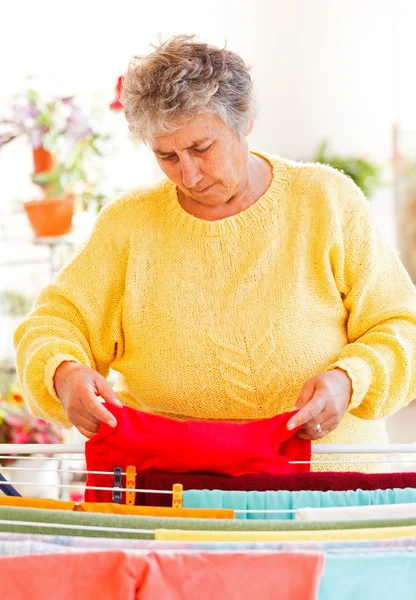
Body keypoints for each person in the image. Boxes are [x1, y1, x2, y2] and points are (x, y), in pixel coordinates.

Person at [14, 35, 416, 467]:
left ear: (244, 121)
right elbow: (54, 323)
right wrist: (65, 372)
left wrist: (350, 380)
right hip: (178, 491)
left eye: (201, 148)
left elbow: (401, 325)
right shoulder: (127, 224)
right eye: (166, 156)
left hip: (327, 485)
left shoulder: (325, 199)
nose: (188, 174)